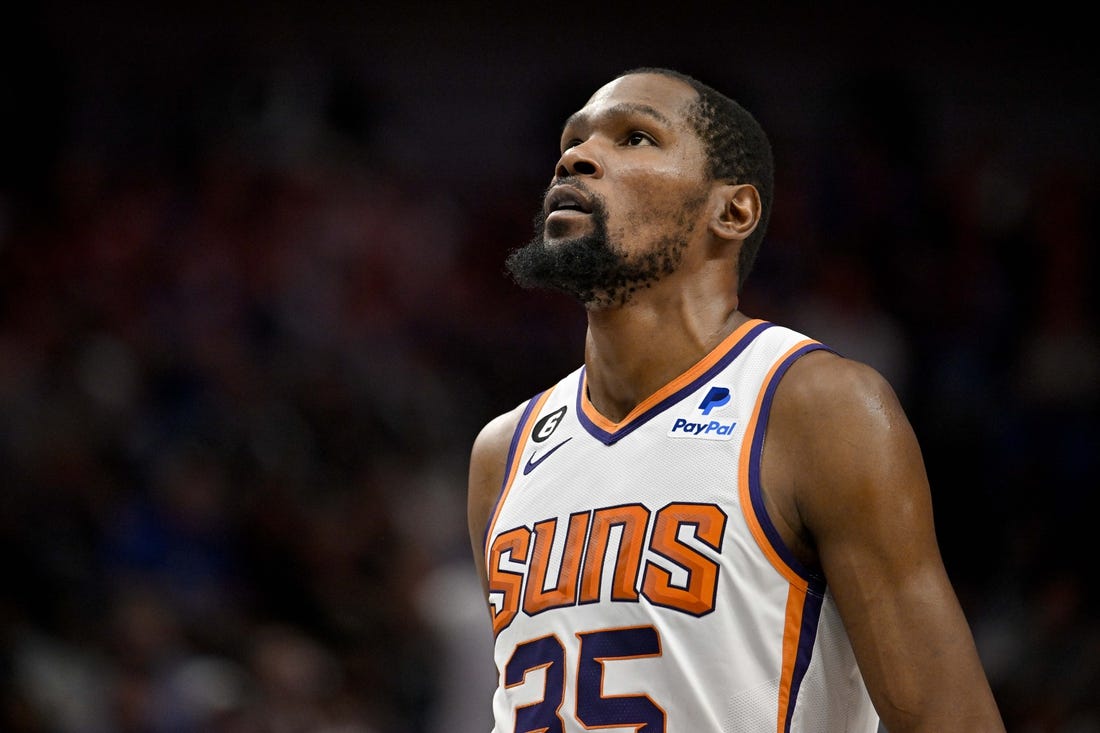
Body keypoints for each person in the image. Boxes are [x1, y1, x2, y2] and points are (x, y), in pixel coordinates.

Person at [466, 66, 1005, 733]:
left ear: (733, 210)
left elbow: (950, 719)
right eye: (571, 141)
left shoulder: (816, 408)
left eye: (635, 137)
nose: (575, 156)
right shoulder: (503, 450)